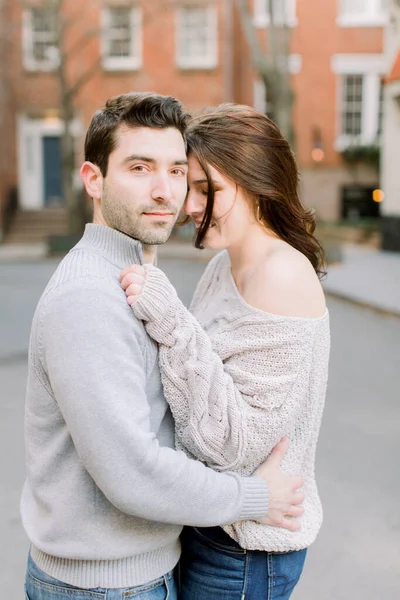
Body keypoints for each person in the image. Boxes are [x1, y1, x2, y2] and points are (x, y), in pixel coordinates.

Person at [22, 93, 304, 600]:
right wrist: (255, 496)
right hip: (105, 587)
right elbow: (132, 473)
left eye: (177, 171)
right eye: (139, 167)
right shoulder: (89, 297)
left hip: (134, 574)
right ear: (94, 179)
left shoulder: (132, 274)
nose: (164, 191)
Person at [120, 103, 330, 600]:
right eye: (187, 186)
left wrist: (168, 316)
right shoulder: (224, 265)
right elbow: (187, 388)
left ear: (253, 183)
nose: (189, 205)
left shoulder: (280, 275)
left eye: (204, 188)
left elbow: (232, 445)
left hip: (245, 548)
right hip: (213, 520)